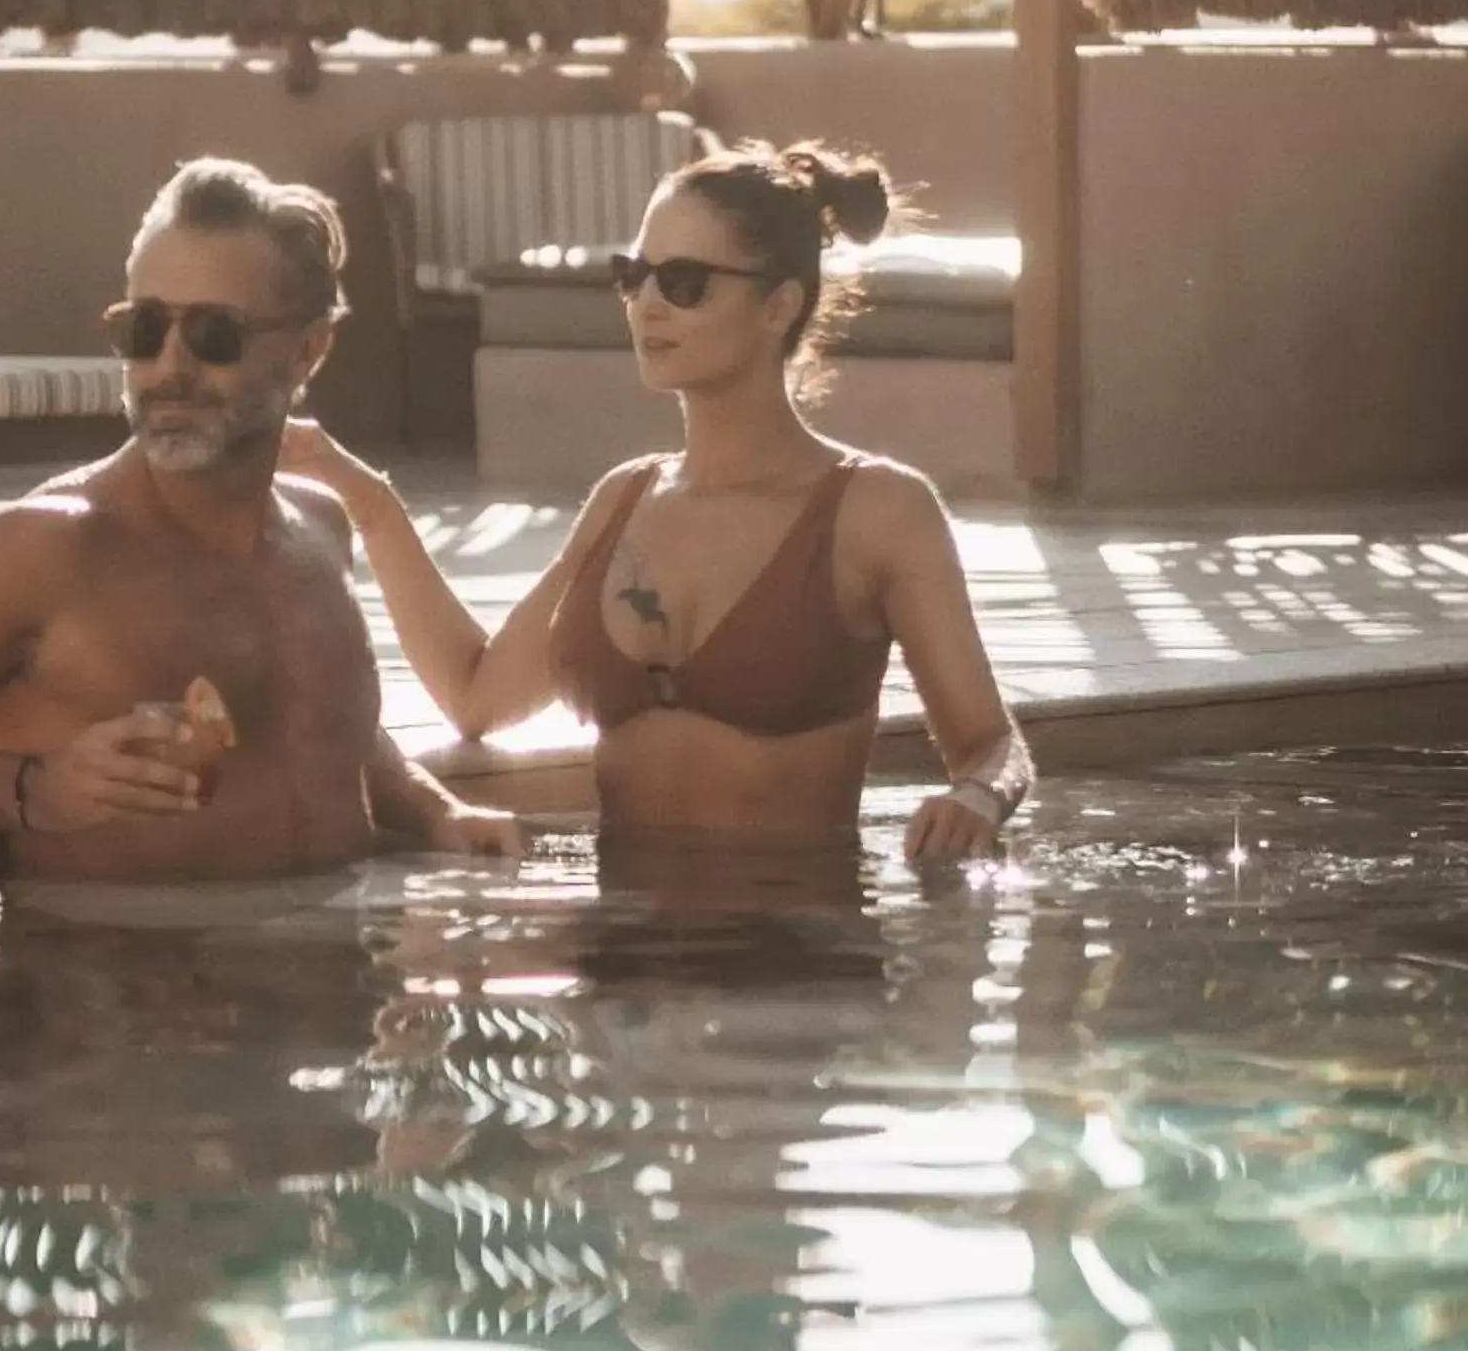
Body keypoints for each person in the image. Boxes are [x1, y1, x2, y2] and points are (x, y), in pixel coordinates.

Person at [0, 159, 521, 882]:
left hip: (335, 982)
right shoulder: (43, 551)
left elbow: (322, 727)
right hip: (135, 992)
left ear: (307, 352)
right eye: (144, 329)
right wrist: (29, 788)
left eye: (214, 335)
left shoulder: (319, 531)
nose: (169, 367)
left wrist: (436, 813)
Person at [283, 139, 1030, 862]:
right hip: (618, 954)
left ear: (778, 307)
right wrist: (367, 499)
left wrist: (978, 798)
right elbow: (477, 696)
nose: (645, 305)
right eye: (632, 274)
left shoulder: (878, 511)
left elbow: (993, 746)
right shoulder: (625, 498)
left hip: (797, 958)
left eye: (683, 283)